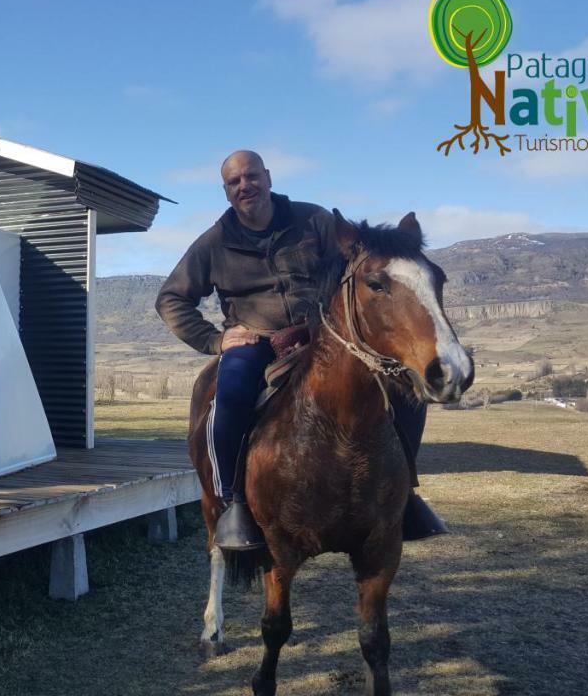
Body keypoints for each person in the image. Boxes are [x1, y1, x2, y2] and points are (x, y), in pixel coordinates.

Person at [154, 150, 446, 549]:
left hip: (325, 335)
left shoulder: (314, 220)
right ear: (226, 192)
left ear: (269, 177)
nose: (245, 185)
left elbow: (357, 261)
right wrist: (215, 339)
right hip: (258, 342)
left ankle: (405, 494)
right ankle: (232, 501)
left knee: (408, 390)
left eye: (251, 176)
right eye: (234, 182)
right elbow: (171, 299)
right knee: (231, 395)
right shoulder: (213, 244)